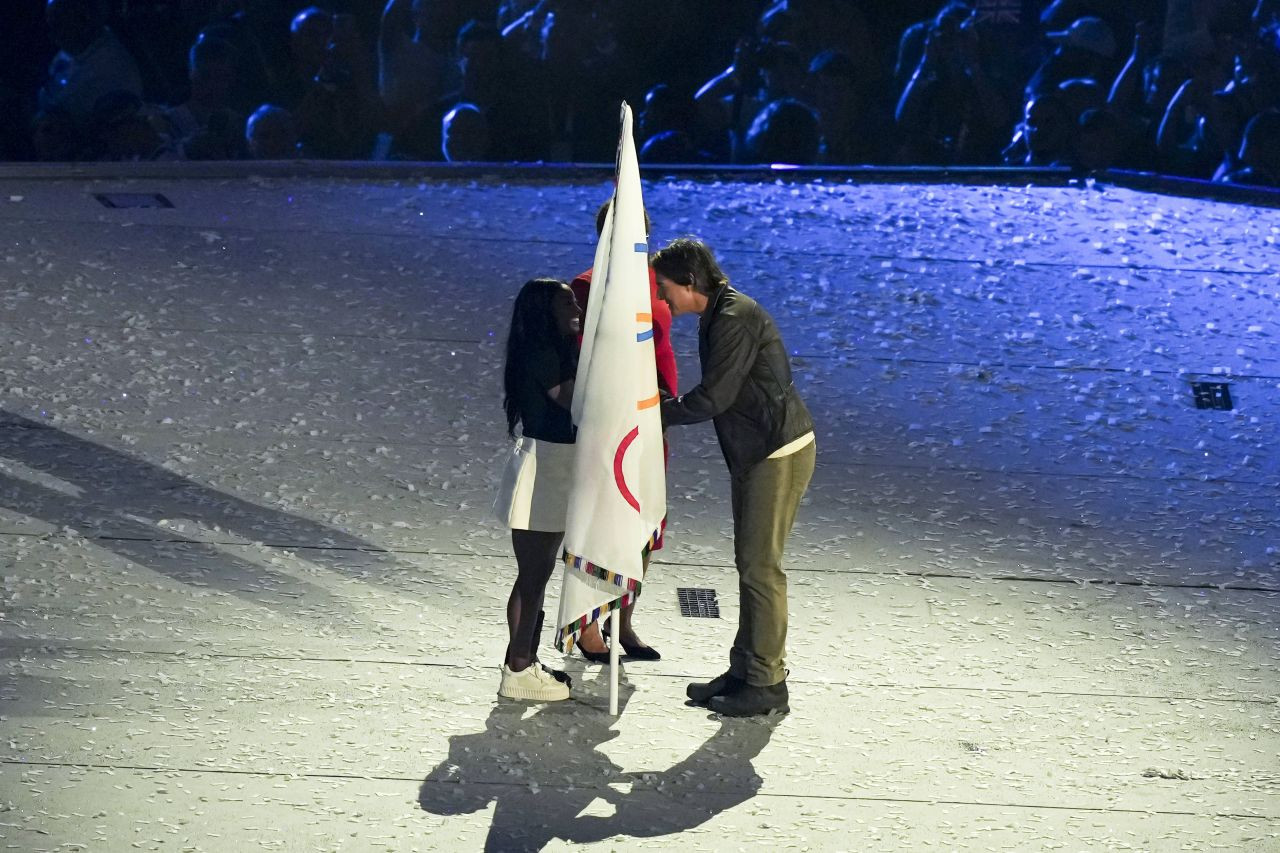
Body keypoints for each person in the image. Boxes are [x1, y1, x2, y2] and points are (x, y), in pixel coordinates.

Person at [652, 238, 815, 718]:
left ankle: (767, 681)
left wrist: (654, 413)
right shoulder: (719, 314)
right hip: (757, 452)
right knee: (750, 564)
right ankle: (745, 669)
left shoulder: (733, 317)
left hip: (776, 451)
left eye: (665, 288)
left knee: (761, 567)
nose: (662, 298)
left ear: (688, 282)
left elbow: (715, 397)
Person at [567, 201, 677, 665]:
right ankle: (588, 623)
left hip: (655, 413)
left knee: (644, 521)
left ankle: (624, 620)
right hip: (612, 419)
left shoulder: (658, 280)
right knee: (605, 517)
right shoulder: (589, 285)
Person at [492, 277, 581, 702]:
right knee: (534, 575)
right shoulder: (543, 352)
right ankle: (519, 668)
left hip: (552, 463)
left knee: (536, 573)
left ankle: (522, 658)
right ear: (547, 313)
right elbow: (571, 400)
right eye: (567, 304)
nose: (575, 308)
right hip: (545, 466)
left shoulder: (551, 349)